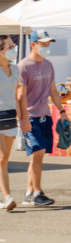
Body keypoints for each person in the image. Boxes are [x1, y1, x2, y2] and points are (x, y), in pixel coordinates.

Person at [17, 30, 68, 207]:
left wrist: (62, 111)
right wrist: (22, 119)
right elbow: (20, 95)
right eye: (43, 43)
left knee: (37, 157)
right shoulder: (23, 66)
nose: (47, 46)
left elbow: (53, 91)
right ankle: (37, 193)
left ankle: (29, 194)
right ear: (33, 44)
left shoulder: (48, 64)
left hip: (45, 115)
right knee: (37, 153)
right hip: (30, 117)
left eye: (48, 43)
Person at [0, 35, 27, 211]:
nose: (13, 47)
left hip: (10, 117)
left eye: (13, 44)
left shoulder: (15, 69)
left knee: (4, 160)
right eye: (10, 45)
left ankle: (5, 197)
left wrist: (22, 117)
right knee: (2, 156)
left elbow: (18, 96)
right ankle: (8, 196)